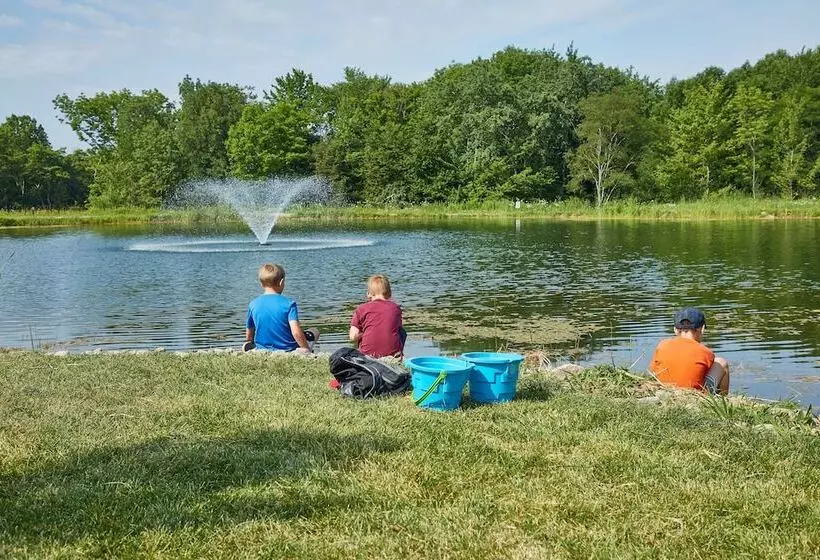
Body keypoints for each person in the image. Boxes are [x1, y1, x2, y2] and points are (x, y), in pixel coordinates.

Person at [649, 307, 729, 394]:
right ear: (702, 329)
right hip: (694, 396)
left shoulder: (662, 345)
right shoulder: (706, 352)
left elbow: (653, 371)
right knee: (721, 363)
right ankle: (721, 401)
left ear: (675, 330)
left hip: (665, 392)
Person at [244, 263, 318, 353]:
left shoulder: (253, 304)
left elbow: (249, 334)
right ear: (281, 282)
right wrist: (305, 348)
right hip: (288, 349)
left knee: (247, 345)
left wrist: (250, 342)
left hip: (262, 349)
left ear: (261, 284)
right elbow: (295, 332)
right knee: (314, 331)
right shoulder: (289, 304)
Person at [349, 274, 405, 358]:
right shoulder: (396, 308)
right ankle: (397, 356)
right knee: (402, 332)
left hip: (367, 355)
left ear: (368, 293)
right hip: (392, 355)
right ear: (390, 293)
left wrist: (365, 332)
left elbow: (353, 337)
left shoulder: (361, 309)